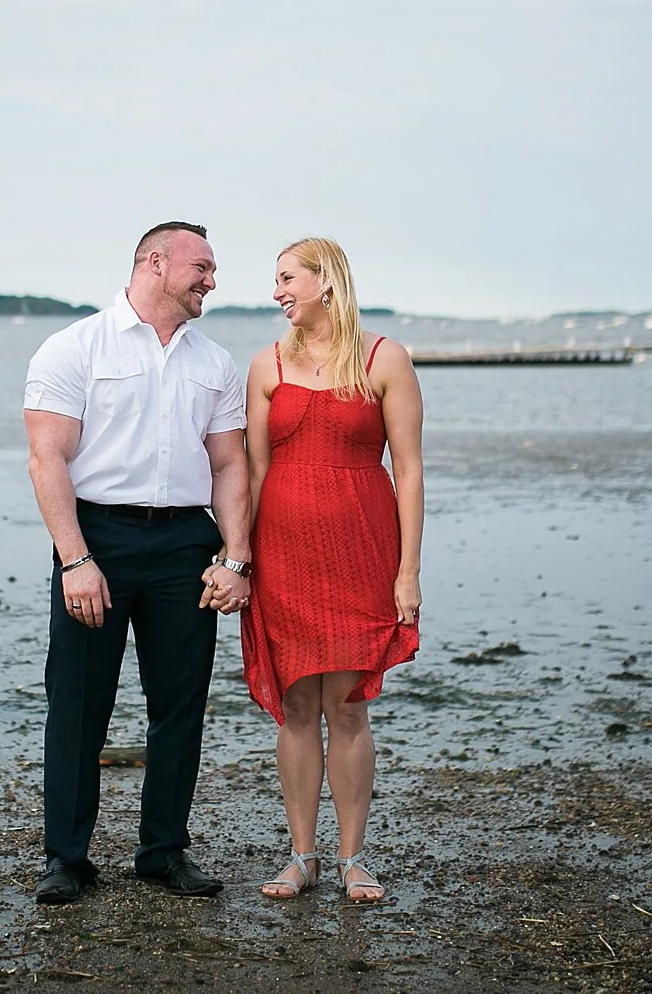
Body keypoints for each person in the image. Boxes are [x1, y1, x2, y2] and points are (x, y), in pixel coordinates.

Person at [23, 221, 256, 905]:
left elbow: (230, 463)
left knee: (180, 705)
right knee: (77, 703)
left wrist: (236, 559)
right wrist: (76, 559)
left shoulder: (214, 362)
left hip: (186, 542)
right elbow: (47, 459)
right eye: (203, 266)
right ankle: (66, 857)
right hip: (97, 537)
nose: (212, 279)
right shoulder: (74, 347)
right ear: (156, 262)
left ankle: (163, 851)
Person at [240, 236, 423, 903]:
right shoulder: (265, 365)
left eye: (287, 277)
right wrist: (237, 558)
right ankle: (301, 855)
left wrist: (408, 570)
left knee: (346, 707)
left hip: (359, 554)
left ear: (326, 280)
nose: (278, 290)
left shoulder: (384, 358)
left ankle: (353, 858)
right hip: (281, 556)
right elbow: (252, 472)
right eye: (277, 279)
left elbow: (408, 470)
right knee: (294, 707)